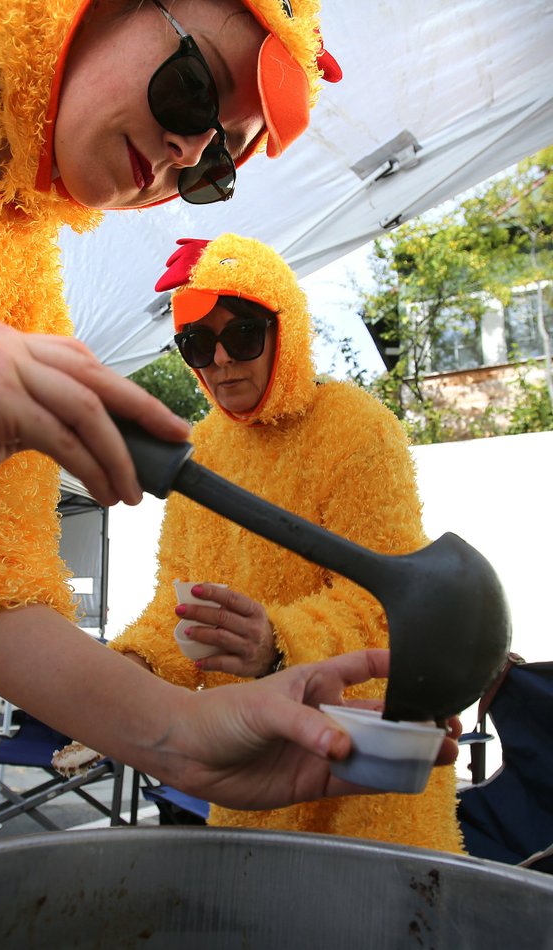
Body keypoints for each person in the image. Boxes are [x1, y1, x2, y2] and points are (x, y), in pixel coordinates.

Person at [0, 0, 449, 811]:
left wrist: (182, 736)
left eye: (212, 163)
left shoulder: (21, 292)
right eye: (196, 89)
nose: (188, 148)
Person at [109, 233, 463, 851]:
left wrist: (278, 643)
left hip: (363, 769)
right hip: (249, 769)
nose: (219, 361)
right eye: (196, 343)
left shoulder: (358, 428)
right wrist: (131, 665)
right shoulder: (201, 449)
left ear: (286, 329)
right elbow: (181, 605)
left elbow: (388, 604)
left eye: (241, 335)